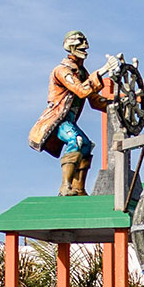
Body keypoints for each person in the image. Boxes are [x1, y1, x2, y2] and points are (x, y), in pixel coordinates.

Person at [27, 31, 108, 196]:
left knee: (86, 145)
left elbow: (94, 100)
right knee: (76, 140)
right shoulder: (62, 71)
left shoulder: (82, 73)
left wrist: (115, 104)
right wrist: (102, 71)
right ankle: (66, 186)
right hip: (58, 119)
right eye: (80, 43)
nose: (85, 48)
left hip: (69, 119)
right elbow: (81, 91)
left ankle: (79, 188)